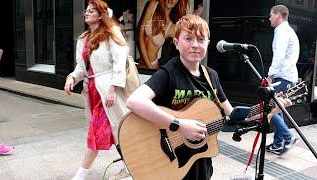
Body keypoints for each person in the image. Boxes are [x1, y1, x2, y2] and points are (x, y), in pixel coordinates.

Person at [126, 14, 292, 179]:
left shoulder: (211, 76)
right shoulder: (168, 73)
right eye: (188, 39)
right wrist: (180, 124)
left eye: (200, 39)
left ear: (208, 43)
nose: (195, 45)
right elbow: (134, 101)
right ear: (176, 43)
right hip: (170, 160)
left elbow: (232, 115)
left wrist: (272, 109)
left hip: (199, 160)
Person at [64, 0, 129, 179]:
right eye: (86, 10)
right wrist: (72, 78)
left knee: (98, 130)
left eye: (91, 11)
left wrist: (113, 89)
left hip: (107, 90)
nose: (86, 13)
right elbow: (81, 68)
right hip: (91, 90)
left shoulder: (111, 33)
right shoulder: (83, 38)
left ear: (100, 15)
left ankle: (82, 173)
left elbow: (120, 62)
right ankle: (132, 167)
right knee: (116, 132)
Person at [266, 4, 300, 155]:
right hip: (288, 75)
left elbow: (278, 56)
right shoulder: (289, 31)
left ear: (278, 15)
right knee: (278, 109)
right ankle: (278, 143)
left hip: (282, 76)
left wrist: (270, 76)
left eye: (271, 15)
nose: (269, 18)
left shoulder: (281, 31)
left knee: (270, 109)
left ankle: (288, 137)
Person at [137, 0, 189, 69]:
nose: (171, 0)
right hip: (143, 65)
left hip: (153, 67)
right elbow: (140, 35)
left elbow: (185, 47)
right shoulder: (153, 4)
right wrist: (149, 66)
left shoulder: (172, 27)